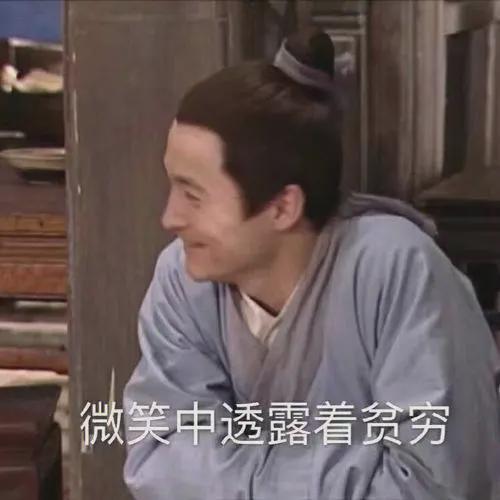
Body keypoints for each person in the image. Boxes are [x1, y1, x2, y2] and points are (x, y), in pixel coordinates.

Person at [123, 28, 500, 500]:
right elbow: (158, 454)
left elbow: (432, 484)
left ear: (283, 207)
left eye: (193, 195)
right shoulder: (182, 277)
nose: (170, 218)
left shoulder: (394, 269)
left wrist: (233, 472)